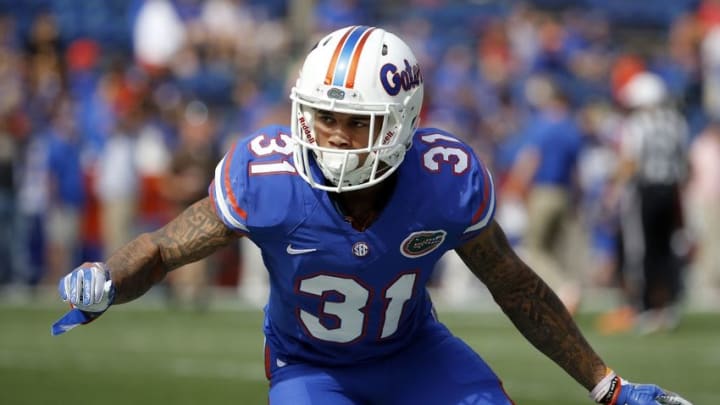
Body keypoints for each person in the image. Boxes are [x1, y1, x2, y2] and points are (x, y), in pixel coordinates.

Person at [53, 26, 692, 405]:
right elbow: (165, 247)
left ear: (402, 124)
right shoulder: (268, 177)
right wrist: (108, 278)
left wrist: (607, 386)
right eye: (321, 116)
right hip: (310, 366)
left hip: (413, 351)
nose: (330, 135)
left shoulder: (445, 181)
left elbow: (514, 283)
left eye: (352, 121)